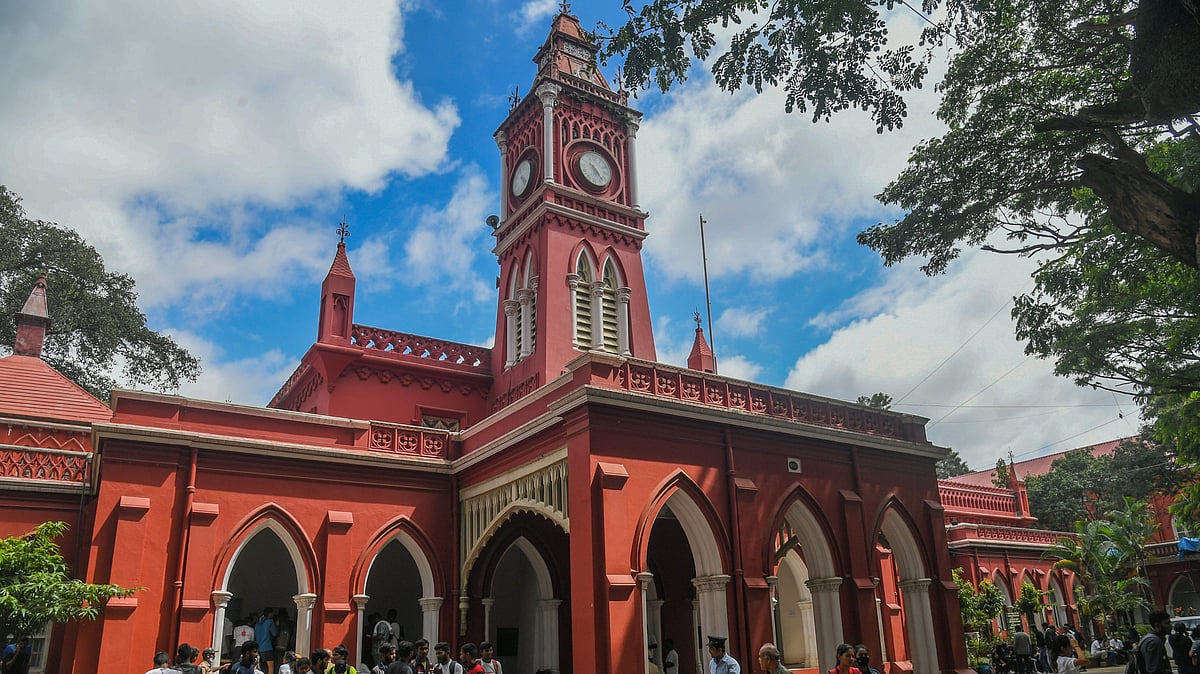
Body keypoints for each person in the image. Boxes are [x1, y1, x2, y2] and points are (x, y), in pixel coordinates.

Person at [257, 609, 280, 674]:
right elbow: (275, 633)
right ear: (270, 614)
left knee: (258, 667)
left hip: (258, 648)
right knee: (270, 667)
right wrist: (277, 625)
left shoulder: (257, 624)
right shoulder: (269, 622)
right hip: (267, 647)